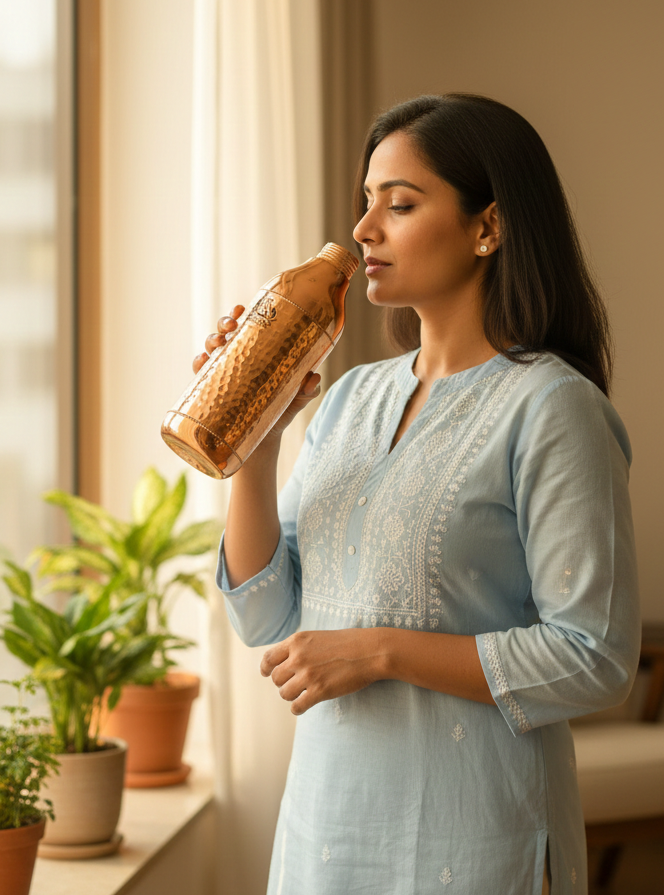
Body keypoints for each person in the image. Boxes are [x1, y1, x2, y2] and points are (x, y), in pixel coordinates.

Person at [194, 93, 640, 895]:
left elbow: (593, 656)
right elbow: (266, 613)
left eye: (398, 204)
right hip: (327, 829)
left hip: (475, 841)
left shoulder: (551, 407)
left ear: (487, 227)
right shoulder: (348, 399)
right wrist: (255, 445)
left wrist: (379, 649)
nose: (364, 229)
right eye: (367, 202)